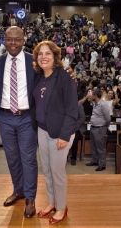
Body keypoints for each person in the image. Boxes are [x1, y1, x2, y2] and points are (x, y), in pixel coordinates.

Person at [0, 26, 38, 218]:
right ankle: (18, 190)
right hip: (4, 116)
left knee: (28, 159)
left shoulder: (33, 61)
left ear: (23, 40)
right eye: (9, 39)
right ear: (4, 40)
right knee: (12, 159)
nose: (13, 43)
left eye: (17, 39)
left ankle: (30, 197)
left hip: (27, 116)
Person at [30, 40, 77, 225]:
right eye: (40, 54)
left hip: (60, 133)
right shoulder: (39, 76)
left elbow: (73, 108)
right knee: (47, 171)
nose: (43, 57)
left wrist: (65, 135)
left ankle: (61, 208)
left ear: (55, 56)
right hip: (42, 129)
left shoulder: (65, 76)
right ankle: (51, 202)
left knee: (57, 172)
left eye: (47, 53)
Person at [86, 88, 110, 171]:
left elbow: (108, 118)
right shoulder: (95, 103)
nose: (90, 96)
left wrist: (105, 127)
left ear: (95, 95)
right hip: (93, 127)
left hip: (100, 128)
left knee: (100, 148)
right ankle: (95, 161)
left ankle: (102, 164)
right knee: (93, 146)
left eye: (91, 95)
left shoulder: (103, 104)